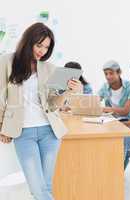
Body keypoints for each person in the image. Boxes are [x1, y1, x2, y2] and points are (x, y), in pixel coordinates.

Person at [0, 22, 80, 200]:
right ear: (28, 41)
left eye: (46, 47)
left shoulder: (50, 68)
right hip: (23, 133)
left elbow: (53, 105)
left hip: (49, 132)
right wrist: (1, 126)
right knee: (38, 189)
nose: (42, 51)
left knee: (45, 187)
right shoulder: (6, 61)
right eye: (39, 45)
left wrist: (68, 91)